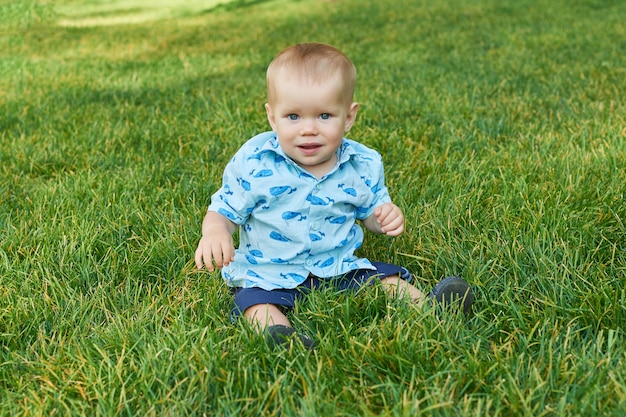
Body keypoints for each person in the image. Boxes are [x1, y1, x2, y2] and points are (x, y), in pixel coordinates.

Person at [194, 43, 472, 349]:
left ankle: (434, 308)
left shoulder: (361, 164)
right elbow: (224, 209)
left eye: (325, 115)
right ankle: (282, 339)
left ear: (349, 117)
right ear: (273, 118)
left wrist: (385, 217)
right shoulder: (255, 162)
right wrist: (215, 231)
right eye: (293, 117)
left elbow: (370, 213)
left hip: (338, 266)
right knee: (255, 304)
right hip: (268, 273)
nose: (309, 129)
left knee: (385, 280)